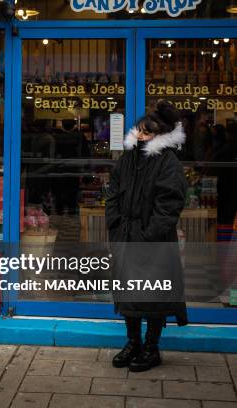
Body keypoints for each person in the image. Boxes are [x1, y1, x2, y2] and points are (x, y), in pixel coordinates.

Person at [105, 101, 188, 372]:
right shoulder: (126, 160)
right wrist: (116, 228)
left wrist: (147, 234)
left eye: (147, 132)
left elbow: (169, 204)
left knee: (153, 296)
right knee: (128, 294)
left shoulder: (168, 162)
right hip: (126, 236)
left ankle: (152, 348)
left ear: (160, 135)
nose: (141, 136)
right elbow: (113, 197)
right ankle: (133, 343)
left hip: (153, 241)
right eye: (139, 130)